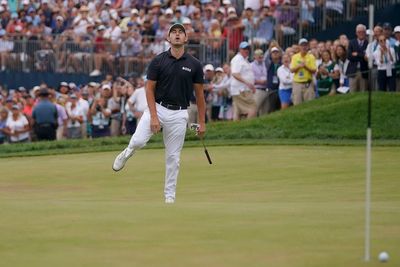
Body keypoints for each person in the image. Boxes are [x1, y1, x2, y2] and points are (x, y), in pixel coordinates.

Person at [112, 23, 206, 204]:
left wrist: (202, 123)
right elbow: (149, 90)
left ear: (186, 38)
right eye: (174, 32)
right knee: (139, 141)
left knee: (173, 158)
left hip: (179, 113)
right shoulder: (158, 61)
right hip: (158, 107)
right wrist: (154, 117)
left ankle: (169, 197)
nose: (177, 35)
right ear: (168, 39)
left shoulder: (194, 65)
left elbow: (200, 96)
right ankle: (127, 152)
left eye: (181, 32)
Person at [230, 41, 257, 120]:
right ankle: (248, 125)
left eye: (248, 48)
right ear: (240, 49)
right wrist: (248, 83)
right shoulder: (238, 59)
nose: (247, 50)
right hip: (241, 90)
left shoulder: (244, 59)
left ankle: (238, 128)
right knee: (253, 108)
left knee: (237, 110)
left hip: (241, 89)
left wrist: (250, 85)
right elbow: (235, 74)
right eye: (244, 48)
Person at [290, 38, 317, 105]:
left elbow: (314, 70)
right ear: (299, 47)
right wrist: (299, 66)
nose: (304, 47)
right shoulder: (294, 57)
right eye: (302, 45)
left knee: (310, 104)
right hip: (297, 83)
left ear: (308, 47)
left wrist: (305, 66)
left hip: (308, 83)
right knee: (297, 104)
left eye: (305, 45)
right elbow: (292, 70)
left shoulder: (311, 57)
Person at [347, 24, 368, 92]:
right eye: (359, 32)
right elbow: (349, 56)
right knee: (352, 92)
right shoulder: (351, 42)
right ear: (356, 33)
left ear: (365, 33)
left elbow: (367, 57)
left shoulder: (368, 43)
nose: (361, 33)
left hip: (364, 71)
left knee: (363, 91)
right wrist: (362, 55)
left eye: (362, 32)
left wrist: (357, 54)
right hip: (353, 71)